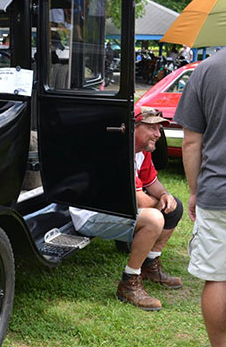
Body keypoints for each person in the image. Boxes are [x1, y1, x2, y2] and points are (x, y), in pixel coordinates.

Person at [174, 0, 226, 347]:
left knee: (218, 276)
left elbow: (190, 142)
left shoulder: (206, 69)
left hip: (217, 190)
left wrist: (195, 192)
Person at [69, 107, 183, 311]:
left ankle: (150, 265)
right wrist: (159, 202)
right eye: (151, 128)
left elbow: (153, 184)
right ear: (134, 128)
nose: (158, 134)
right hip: (90, 216)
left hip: (113, 211)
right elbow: (139, 201)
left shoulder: (142, 151)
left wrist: (165, 195)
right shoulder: (118, 152)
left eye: (159, 128)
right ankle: (129, 282)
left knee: (174, 206)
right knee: (154, 218)